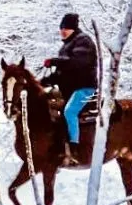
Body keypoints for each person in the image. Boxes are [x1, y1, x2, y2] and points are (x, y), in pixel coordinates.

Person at [42, 13, 98, 164]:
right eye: (62, 28)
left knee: (69, 111)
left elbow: (76, 63)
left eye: (66, 28)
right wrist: (43, 82)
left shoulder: (83, 42)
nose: (63, 31)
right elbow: (62, 73)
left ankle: (74, 147)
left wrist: (55, 61)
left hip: (84, 88)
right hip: (69, 90)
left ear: (74, 28)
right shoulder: (66, 47)